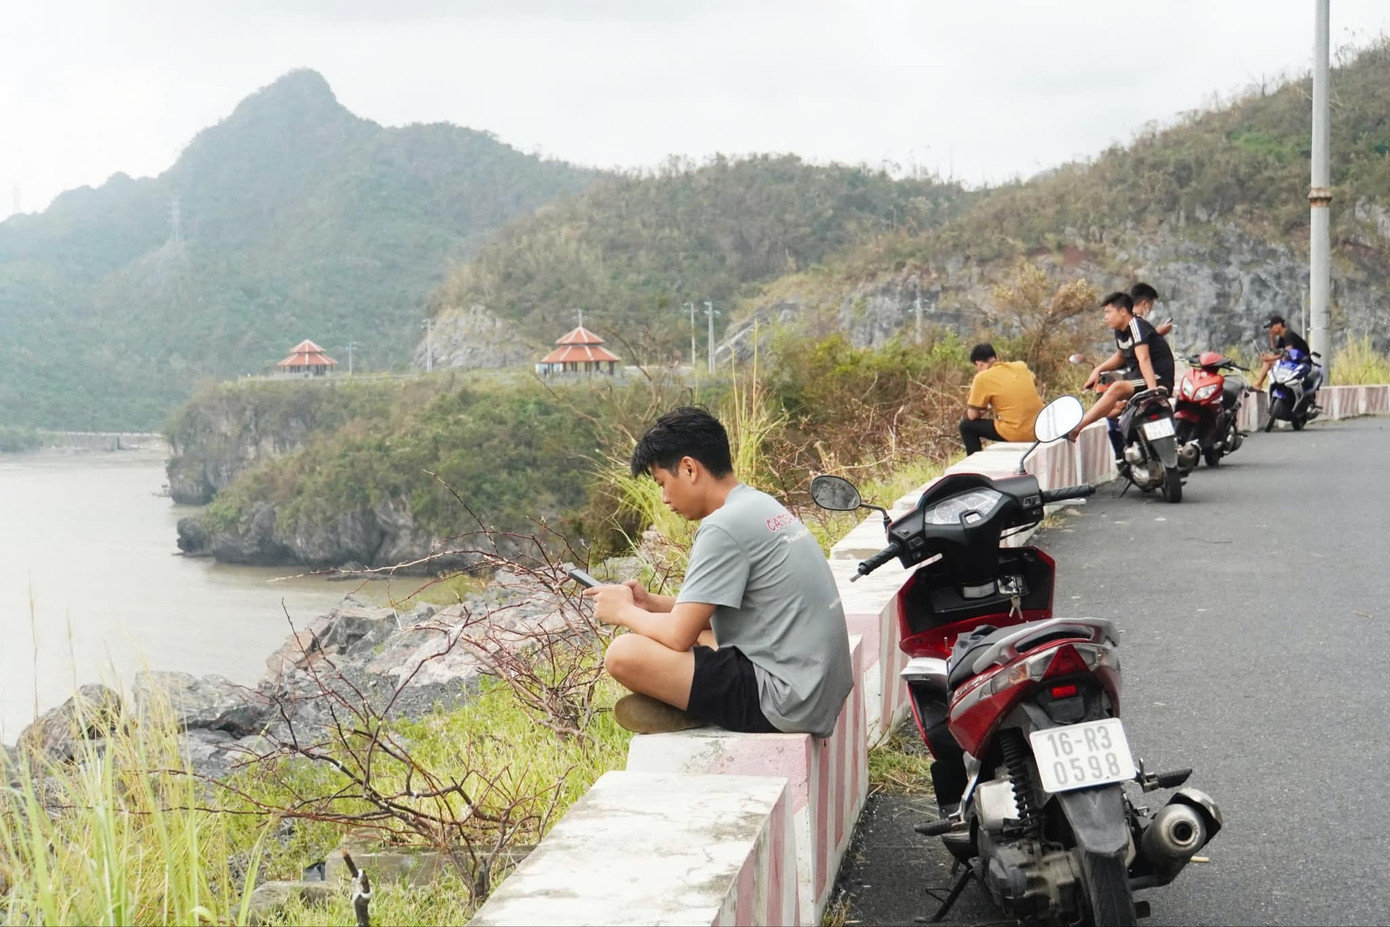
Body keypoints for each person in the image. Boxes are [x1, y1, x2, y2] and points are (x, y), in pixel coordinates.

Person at [586, 406, 854, 737]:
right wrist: (650, 603)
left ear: (688, 468)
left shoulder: (722, 527)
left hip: (786, 699)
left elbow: (676, 635)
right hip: (817, 684)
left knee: (624, 653)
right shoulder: (757, 504)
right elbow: (726, 607)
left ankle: (694, 704)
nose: (665, 498)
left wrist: (624, 611)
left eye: (662, 483)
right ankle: (695, 700)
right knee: (702, 632)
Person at [1067, 292, 1176, 454]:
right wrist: (1098, 369)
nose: (1106, 317)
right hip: (1141, 380)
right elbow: (1120, 356)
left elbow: (1144, 358)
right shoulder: (1120, 331)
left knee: (1117, 388)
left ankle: (1077, 428)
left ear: (1123, 311)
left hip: (1157, 378)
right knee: (1113, 410)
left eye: (1108, 312)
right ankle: (1126, 456)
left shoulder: (1136, 326)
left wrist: (1153, 391)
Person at [959, 343, 1044, 455]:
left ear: (978, 364)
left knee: (966, 426)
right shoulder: (1020, 366)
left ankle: (975, 467)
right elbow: (1035, 383)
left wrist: (986, 409)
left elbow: (972, 415)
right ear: (997, 357)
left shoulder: (982, 377)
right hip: (1041, 427)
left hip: (1017, 432)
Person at [1252, 314, 1321, 401]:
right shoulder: (1282, 338)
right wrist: (1272, 338)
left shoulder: (1288, 335)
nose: (1271, 330)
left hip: (1300, 363)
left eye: (1272, 327)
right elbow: (1276, 352)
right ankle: (1265, 385)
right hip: (1291, 362)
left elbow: (1287, 354)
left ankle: (1258, 384)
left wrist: (1269, 359)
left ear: (1279, 325)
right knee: (1269, 360)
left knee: (1268, 361)